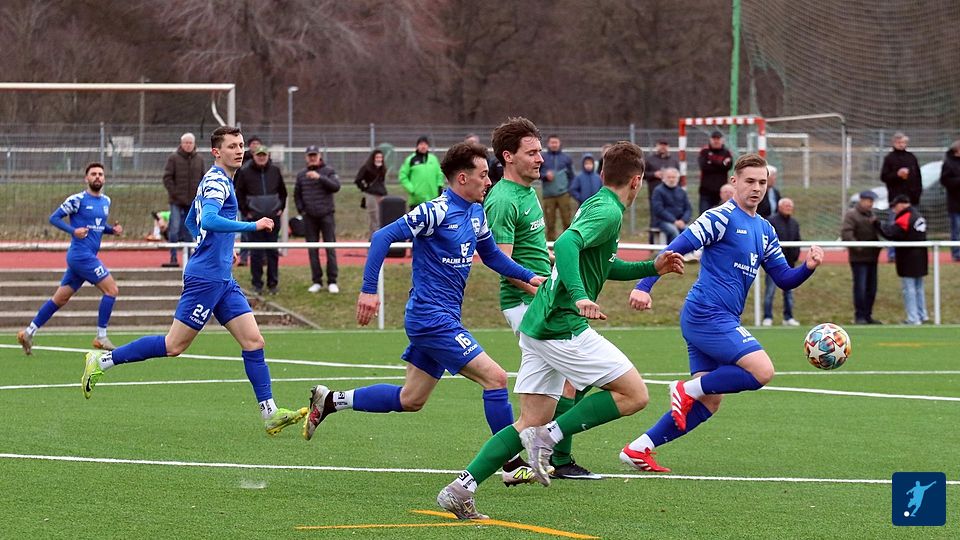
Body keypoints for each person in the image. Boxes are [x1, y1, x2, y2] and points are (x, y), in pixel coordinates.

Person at [436, 142, 685, 520]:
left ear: (602, 174)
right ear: (637, 181)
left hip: (540, 322)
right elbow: (567, 243)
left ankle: (460, 489)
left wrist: (652, 267)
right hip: (561, 324)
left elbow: (604, 264)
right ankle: (548, 439)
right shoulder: (608, 211)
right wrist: (581, 296)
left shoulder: (599, 204)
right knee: (634, 394)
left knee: (529, 420)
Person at [302, 142, 546, 487]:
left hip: (443, 318)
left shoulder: (476, 213)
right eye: (482, 175)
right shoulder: (436, 211)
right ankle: (510, 463)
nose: (489, 181)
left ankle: (331, 400)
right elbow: (382, 236)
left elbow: (492, 256)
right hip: (431, 319)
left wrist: (529, 277)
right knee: (495, 378)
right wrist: (369, 290)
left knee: (411, 399)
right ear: (462, 178)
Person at [80, 126, 307, 436]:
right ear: (216, 152)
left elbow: (192, 220)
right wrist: (252, 225)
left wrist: (220, 248)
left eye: (241, 145)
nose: (239, 150)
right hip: (205, 279)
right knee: (173, 345)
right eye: (232, 146)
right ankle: (102, 360)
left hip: (222, 278)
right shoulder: (217, 181)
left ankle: (270, 413)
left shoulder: (219, 180)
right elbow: (209, 219)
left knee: (254, 341)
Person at [623, 153, 823, 473]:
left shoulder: (765, 230)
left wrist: (808, 267)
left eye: (762, 182)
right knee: (762, 371)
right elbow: (675, 248)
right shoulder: (720, 217)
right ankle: (684, 389)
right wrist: (644, 286)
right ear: (734, 182)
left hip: (720, 318)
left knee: (710, 401)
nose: (756, 188)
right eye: (749, 181)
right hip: (706, 313)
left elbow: (784, 279)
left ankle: (639, 448)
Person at [483, 117, 598, 481]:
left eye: (539, 151)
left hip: (541, 300)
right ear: (508, 156)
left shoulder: (528, 193)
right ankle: (552, 458)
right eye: (532, 152)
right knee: (578, 377)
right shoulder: (503, 200)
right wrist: (545, 294)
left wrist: (554, 262)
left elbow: (530, 250)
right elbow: (503, 263)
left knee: (550, 398)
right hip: (526, 304)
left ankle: (528, 458)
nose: (540, 159)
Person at [17, 163, 124, 355]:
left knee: (60, 298)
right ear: (86, 178)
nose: (97, 177)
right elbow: (54, 218)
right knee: (112, 290)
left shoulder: (106, 201)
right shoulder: (77, 200)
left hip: (85, 257)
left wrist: (112, 230)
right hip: (81, 255)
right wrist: (73, 231)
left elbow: (98, 226)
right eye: (93, 174)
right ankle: (101, 336)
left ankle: (28, 332)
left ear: (104, 178)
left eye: (100, 174)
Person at [235, 145, 287, 295]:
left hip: (273, 218)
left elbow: (283, 192)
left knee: (272, 252)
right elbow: (240, 194)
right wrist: (247, 212)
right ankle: (257, 284)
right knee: (256, 252)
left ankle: (273, 283)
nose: (262, 157)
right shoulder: (245, 172)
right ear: (254, 156)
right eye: (259, 155)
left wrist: (280, 208)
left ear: (268, 156)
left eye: (264, 155)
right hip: (254, 220)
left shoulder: (275, 171)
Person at [876, 194, 928, 325]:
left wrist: (877, 225)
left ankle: (913, 318)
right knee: (918, 288)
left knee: (909, 289)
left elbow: (890, 233)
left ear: (901, 205)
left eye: (895, 206)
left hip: (908, 258)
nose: (893, 209)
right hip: (921, 257)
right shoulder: (918, 215)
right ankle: (922, 315)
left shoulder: (905, 217)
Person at [295, 145, 341, 294]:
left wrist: (320, 177)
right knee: (312, 250)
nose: (312, 158)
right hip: (309, 217)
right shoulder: (301, 175)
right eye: (310, 155)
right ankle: (317, 281)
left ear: (319, 156)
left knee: (330, 248)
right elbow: (297, 195)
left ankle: (332, 281)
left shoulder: (329, 171)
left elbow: (336, 186)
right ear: (306, 157)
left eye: (315, 155)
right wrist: (302, 211)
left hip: (326, 215)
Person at [162, 133, 205, 267]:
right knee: (174, 228)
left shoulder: (199, 159)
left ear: (194, 144)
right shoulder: (173, 158)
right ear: (181, 144)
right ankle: (173, 256)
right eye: (185, 142)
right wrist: (175, 193)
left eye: (190, 143)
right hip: (176, 200)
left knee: (189, 229)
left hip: (192, 201)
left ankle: (190, 257)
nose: (188, 145)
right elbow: (167, 178)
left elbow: (203, 178)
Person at [841, 190, 883, 324]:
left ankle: (868, 315)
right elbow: (847, 233)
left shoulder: (872, 215)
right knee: (860, 287)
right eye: (869, 201)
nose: (870, 204)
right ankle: (860, 316)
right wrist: (859, 248)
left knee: (872, 288)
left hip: (872, 257)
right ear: (862, 200)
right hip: (859, 258)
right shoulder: (851, 215)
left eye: (872, 202)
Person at [880, 132, 922, 262]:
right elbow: (884, 177)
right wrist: (897, 175)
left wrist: (917, 193)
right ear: (894, 143)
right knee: (894, 226)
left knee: (912, 226)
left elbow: (918, 177)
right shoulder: (889, 158)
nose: (902, 144)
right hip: (896, 200)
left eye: (903, 142)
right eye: (899, 142)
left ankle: (911, 253)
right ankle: (892, 254)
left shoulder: (911, 157)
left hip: (912, 199)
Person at [762, 198, 801, 326]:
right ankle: (767, 317)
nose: (788, 208)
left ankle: (788, 317)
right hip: (773, 265)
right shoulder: (771, 221)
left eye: (790, 206)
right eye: (786, 205)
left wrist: (795, 256)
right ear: (779, 207)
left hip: (789, 263)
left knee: (789, 292)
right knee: (770, 292)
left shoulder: (794, 223)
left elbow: (797, 241)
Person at [540, 135, 576, 241]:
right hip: (548, 195)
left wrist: (569, 191)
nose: (554, 145)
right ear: (548, 144)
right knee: (550, 223)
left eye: (556, 142)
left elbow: (572, 176)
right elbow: (536, 173)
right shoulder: (542, 158)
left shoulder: (566, 158)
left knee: (567, 222)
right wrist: (545, 176)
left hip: (563, 195)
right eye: (552, 142)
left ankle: (568, 243)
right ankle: (551, 245)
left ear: (559, 144)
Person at [644, 139, 681, 236]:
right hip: (655, 193)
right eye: (661, 144)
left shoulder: (673, 161)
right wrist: (654, 174)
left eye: (665, 145)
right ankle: (653, 242)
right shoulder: (650, 160)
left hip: (672, 196)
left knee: (671, 219)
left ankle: (670, 241)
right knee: (655, 218)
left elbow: (679, 176)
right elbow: (642, 174)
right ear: (657, 146)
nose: (663, 147)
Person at [398, 135, 445, 210]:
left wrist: (439, 186)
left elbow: (439, 174)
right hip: (416, 201)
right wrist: (411, 189)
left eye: (425, 144)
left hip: (433, 200)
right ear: (417, 146)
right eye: (421, 144)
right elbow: (403, 175)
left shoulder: (433, 159)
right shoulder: (411, 159)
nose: (423, 146)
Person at [238, 136, 264, 266]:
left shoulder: (267, 164)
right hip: (247, 203)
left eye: (257, 143)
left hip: (261, 203)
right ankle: (244, 257)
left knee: (262, 232)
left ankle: (262, 257)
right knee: (245, 231)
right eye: (253, 143)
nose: (255, 146)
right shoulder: (242, 161)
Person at [650, 167, 691, 243]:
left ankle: (688, 251)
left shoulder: (681, 191)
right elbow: (658, 210)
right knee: (674, 231)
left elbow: (688, 209)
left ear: (677, 178)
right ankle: (673, 250)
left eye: (673, 177)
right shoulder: (658, 191)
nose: (671, 179)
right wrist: (674, 221)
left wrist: (683, 220)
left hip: (680, 221)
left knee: (689, 232)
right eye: (669, 177)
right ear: (663, 178)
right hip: (662, 221)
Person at [697, 130, 733, 214]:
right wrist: (721, 162)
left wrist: (711, 160)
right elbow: (704, 167)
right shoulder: (704, 151)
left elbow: (728, 166)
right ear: (710, 139)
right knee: (704, 215)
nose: (716, 141)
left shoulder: (726, 152)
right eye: (714, 139)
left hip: (721, 192)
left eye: (718, 139)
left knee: (722, 215)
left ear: (722, 140)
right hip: (706, 191)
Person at [354, 149, 387, 237]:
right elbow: (358, 180)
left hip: (381, 195)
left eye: (380, 157)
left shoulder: (382, 169)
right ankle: (377, 238)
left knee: (380, 218)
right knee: (374, 218)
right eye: (377, 157)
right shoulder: (366, 168)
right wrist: (365, 189)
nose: (379, 159)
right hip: (371, 195)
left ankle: (373, 238)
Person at [938, 140, 960, 262]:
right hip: (955, 203)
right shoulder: (948, 163)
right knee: (956, 230)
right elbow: (944, 180)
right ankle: (957, 253)